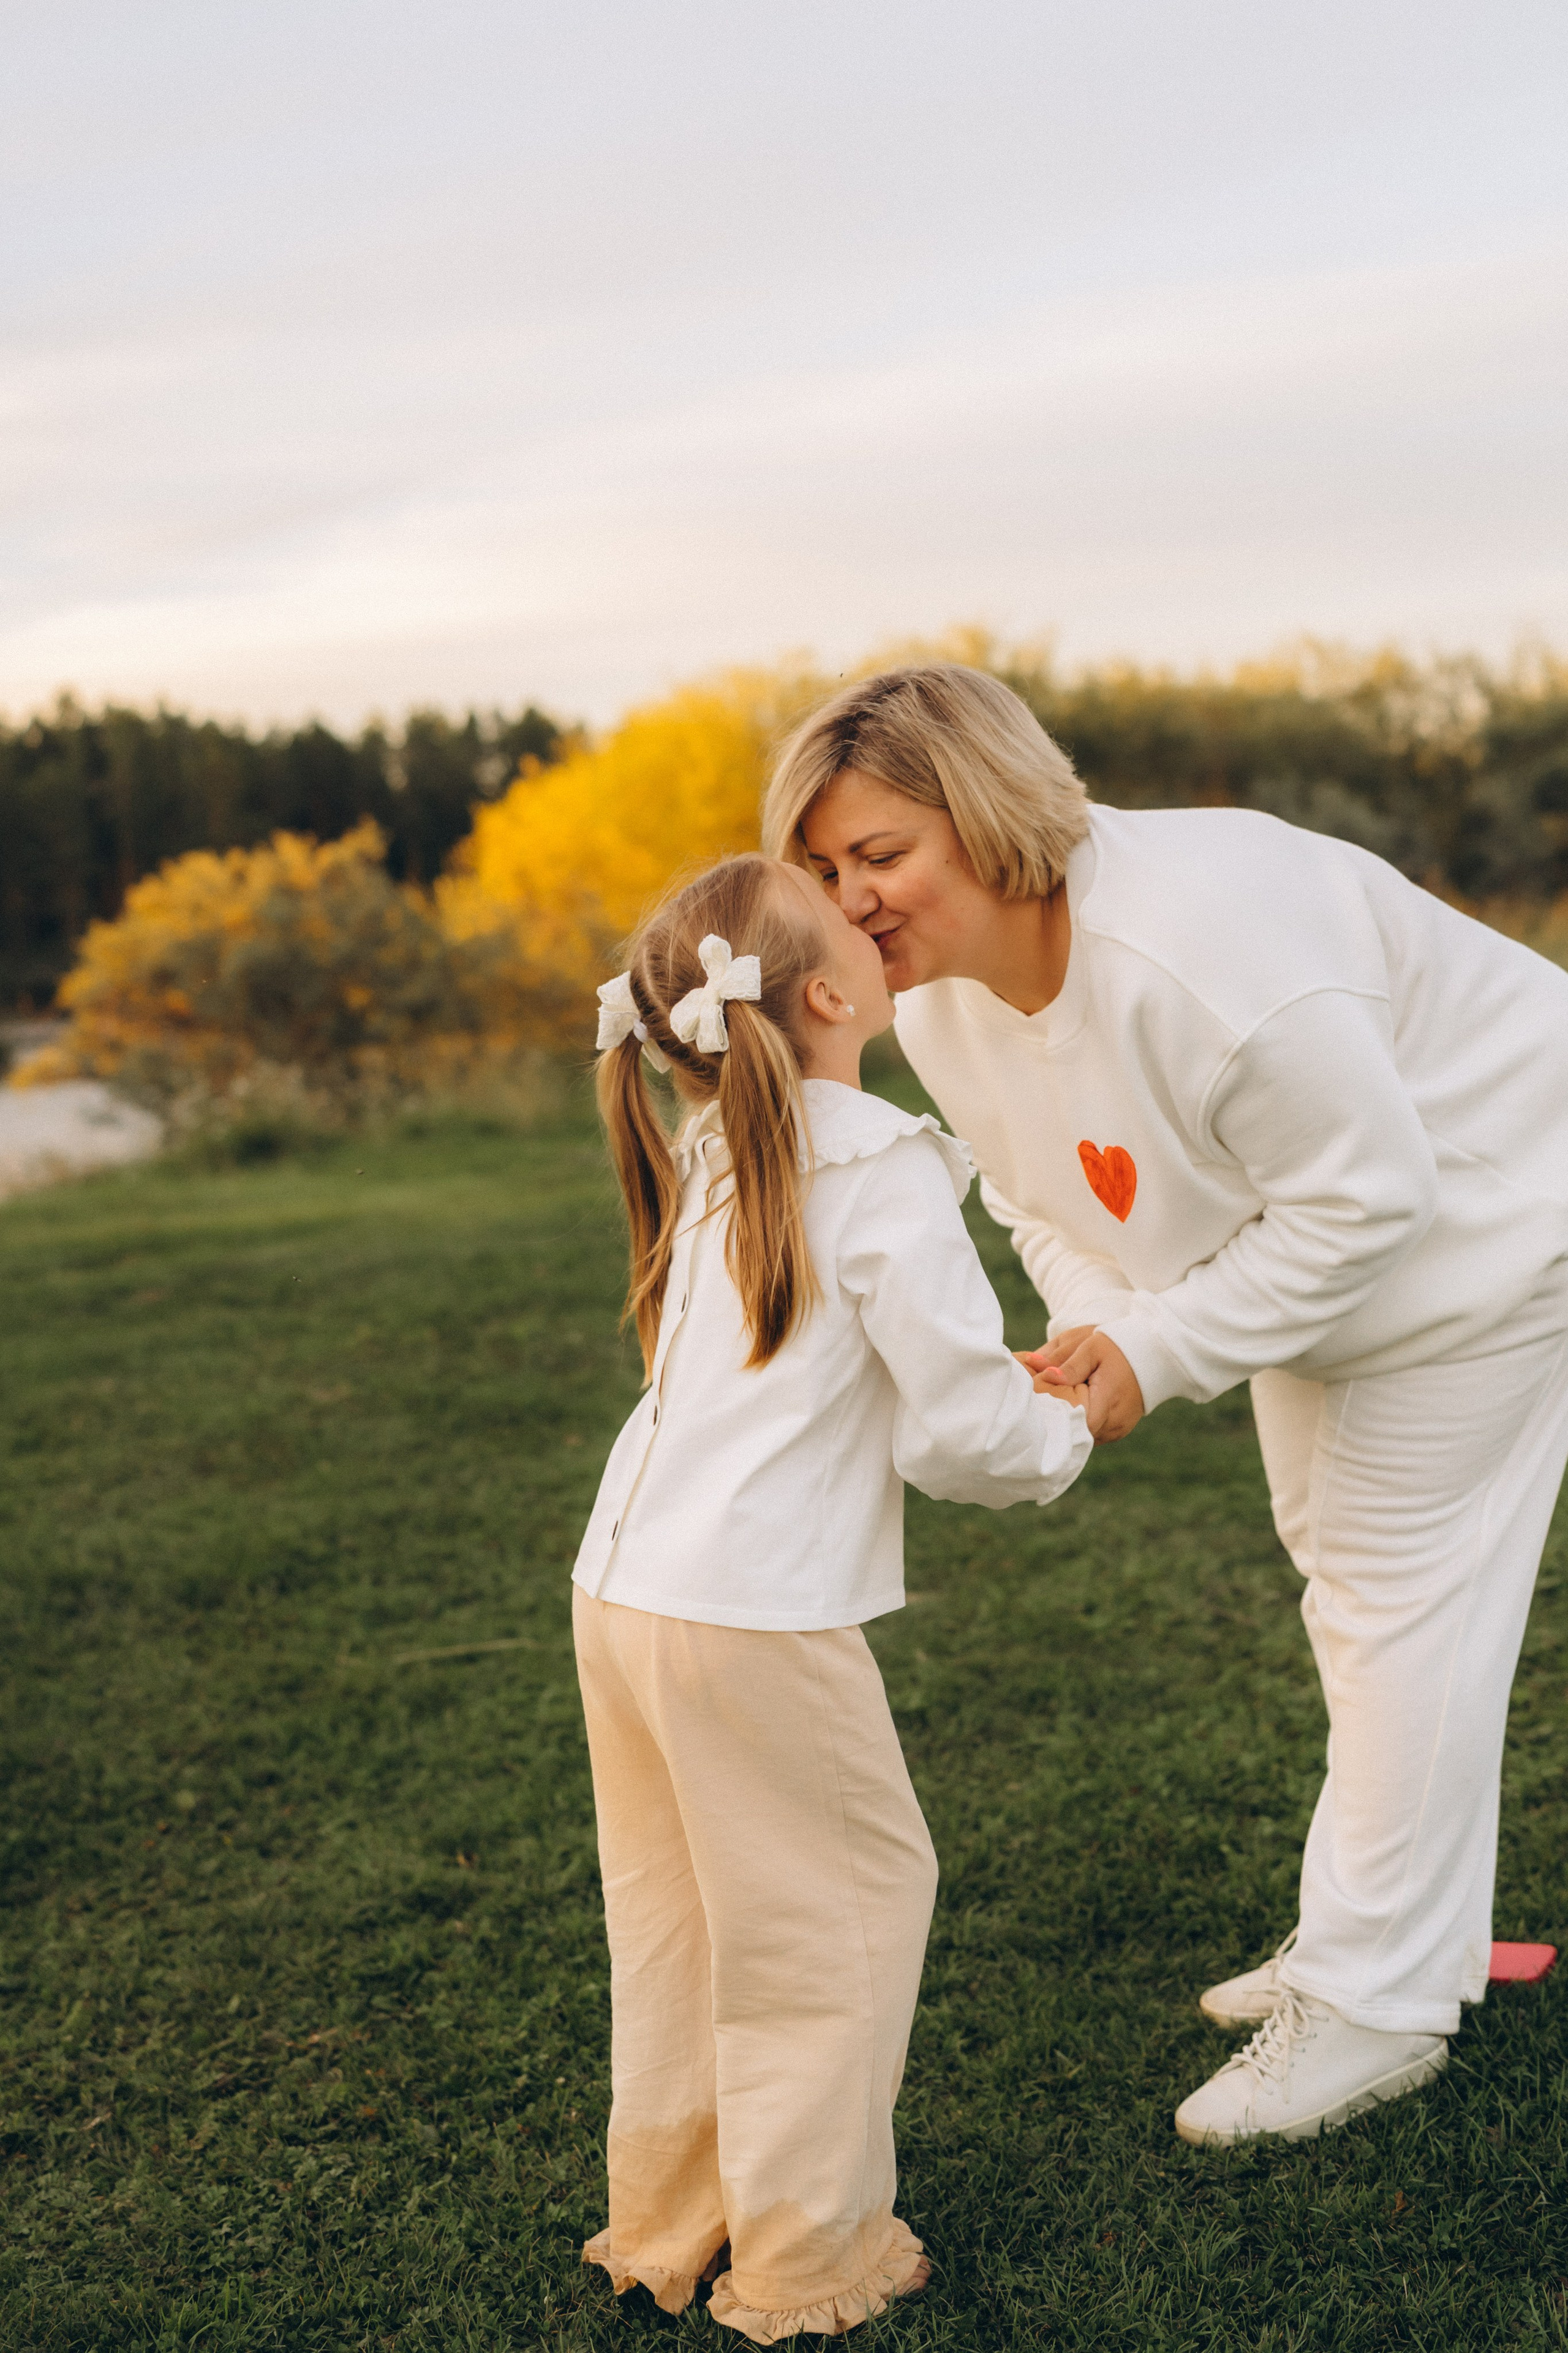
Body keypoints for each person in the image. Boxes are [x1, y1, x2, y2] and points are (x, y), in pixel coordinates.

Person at [763, 662, 1568, 2148]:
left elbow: (1371, 1194)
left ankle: (1378, 2001)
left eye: (881, 854)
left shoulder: (1203, 946)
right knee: (1350, 1575)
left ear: (992, 815)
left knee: (1398, 1590)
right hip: (1356, 1254)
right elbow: (1033, 1186)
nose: (849, 898)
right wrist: (1097, 1325)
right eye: (822, 866)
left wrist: (1164, 1347)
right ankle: (1390, 1941)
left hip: (1502, 1212)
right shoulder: (938, 1001)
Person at [575, 850, 1091, 2340]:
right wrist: (1063, 1419)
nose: (873, 924)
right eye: (847, 922)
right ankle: (810, 2256)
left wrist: (988, 1388)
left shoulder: (717, 1143)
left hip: (623, 1588)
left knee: (673, 1912)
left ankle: (672, 2218)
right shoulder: (874, 1161)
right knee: (840, 1910)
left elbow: (822, 1379)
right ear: (824, 995)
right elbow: (957, 1432)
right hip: (747, 1613)